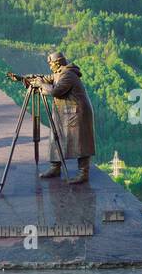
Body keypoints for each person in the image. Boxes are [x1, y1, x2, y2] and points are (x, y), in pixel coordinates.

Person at [30, 51, 96, 184]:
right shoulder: (59, 73)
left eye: (51, 64)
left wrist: (41, 85)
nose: (50, 67)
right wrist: (30, 79)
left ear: (58, 63)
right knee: (56, 137)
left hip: (78, 113)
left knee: (80, 141)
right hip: (65, 112)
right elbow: (47, 78)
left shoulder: (68, 75)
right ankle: (55, 167)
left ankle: (84, 173)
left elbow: (55, 91)